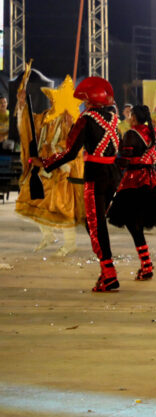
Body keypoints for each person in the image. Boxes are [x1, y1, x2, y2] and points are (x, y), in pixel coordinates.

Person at [34, 77, 121, 292]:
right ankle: (107, 271)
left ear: (90, 101)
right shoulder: (113, 118)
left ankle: (109, 274)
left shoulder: (86, 118)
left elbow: (71, 151)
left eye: (85, 100)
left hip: (95, 176)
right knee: (98, 223)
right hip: (113, 175)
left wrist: (45, 162)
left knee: (94, 224)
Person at [14, 82, 85, 256]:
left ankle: (70, 243)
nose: (54, 101)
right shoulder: (45, 116)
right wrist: (22, 105)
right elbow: (29, 126)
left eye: (58, 99)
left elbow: (73, 145)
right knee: (33, 198)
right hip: (43, 167)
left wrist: (57, 150)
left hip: (61, 169)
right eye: (52, 99)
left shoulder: (70, 119)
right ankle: (48, 235)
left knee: (63, 206)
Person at [107, 105, 156, 281]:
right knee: (136, 224)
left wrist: (110, 161)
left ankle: (147, 265)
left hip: (134, 182)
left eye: (130, 115)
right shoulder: (150, 132)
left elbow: (125, 160)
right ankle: (146, 264)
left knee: (132, 224)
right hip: (150, 179)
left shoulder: (131, 134)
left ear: (134, 117)